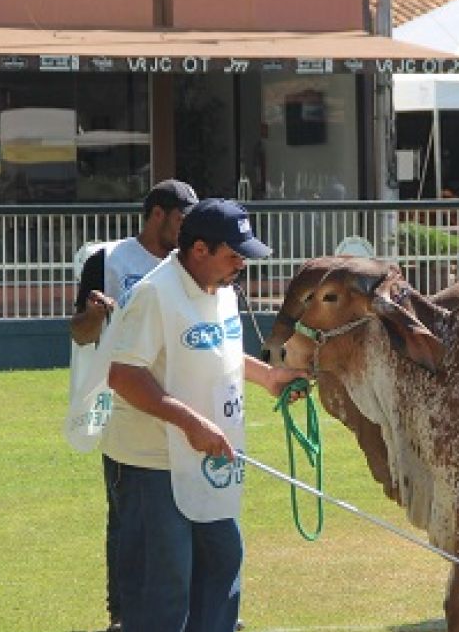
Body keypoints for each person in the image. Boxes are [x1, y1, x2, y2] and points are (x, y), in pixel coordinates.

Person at [102, 198, 304, 631]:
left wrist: (268, 376)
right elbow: (123, 374)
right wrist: (189, 421)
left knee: (223, 557)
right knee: (166, 581)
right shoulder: (154, 294)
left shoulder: (223, 290)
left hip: (209, 459)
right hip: (152, 464)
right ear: (199, 250)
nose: (242, 265)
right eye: (233, 255)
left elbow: (219, 348)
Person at [69, 179, 199, 632]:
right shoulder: (108, 261)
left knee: (192, 506)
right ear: (158, 214)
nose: (188, 229)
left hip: (183, 397)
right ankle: (122, 614)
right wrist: (95, 314)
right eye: (182, 219)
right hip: (123, 401)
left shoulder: (190, 264)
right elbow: (79, 334)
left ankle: (197, 606)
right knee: (126, 514)